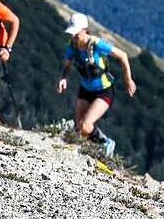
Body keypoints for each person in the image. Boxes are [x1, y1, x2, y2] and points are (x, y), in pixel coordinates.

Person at [56, 12, 136, 156]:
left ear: (84, 30)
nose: (74, 36)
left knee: (86, 125)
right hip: (85, 89)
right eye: (72, 33)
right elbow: (67, 65)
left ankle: (105, 143)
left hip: (104, 90)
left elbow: (123, 56)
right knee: (79, 129)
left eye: (76, 33)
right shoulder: (72, 47)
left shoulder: (96, 44)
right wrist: (63, 78)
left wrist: (128, 79)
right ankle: (89, 152)